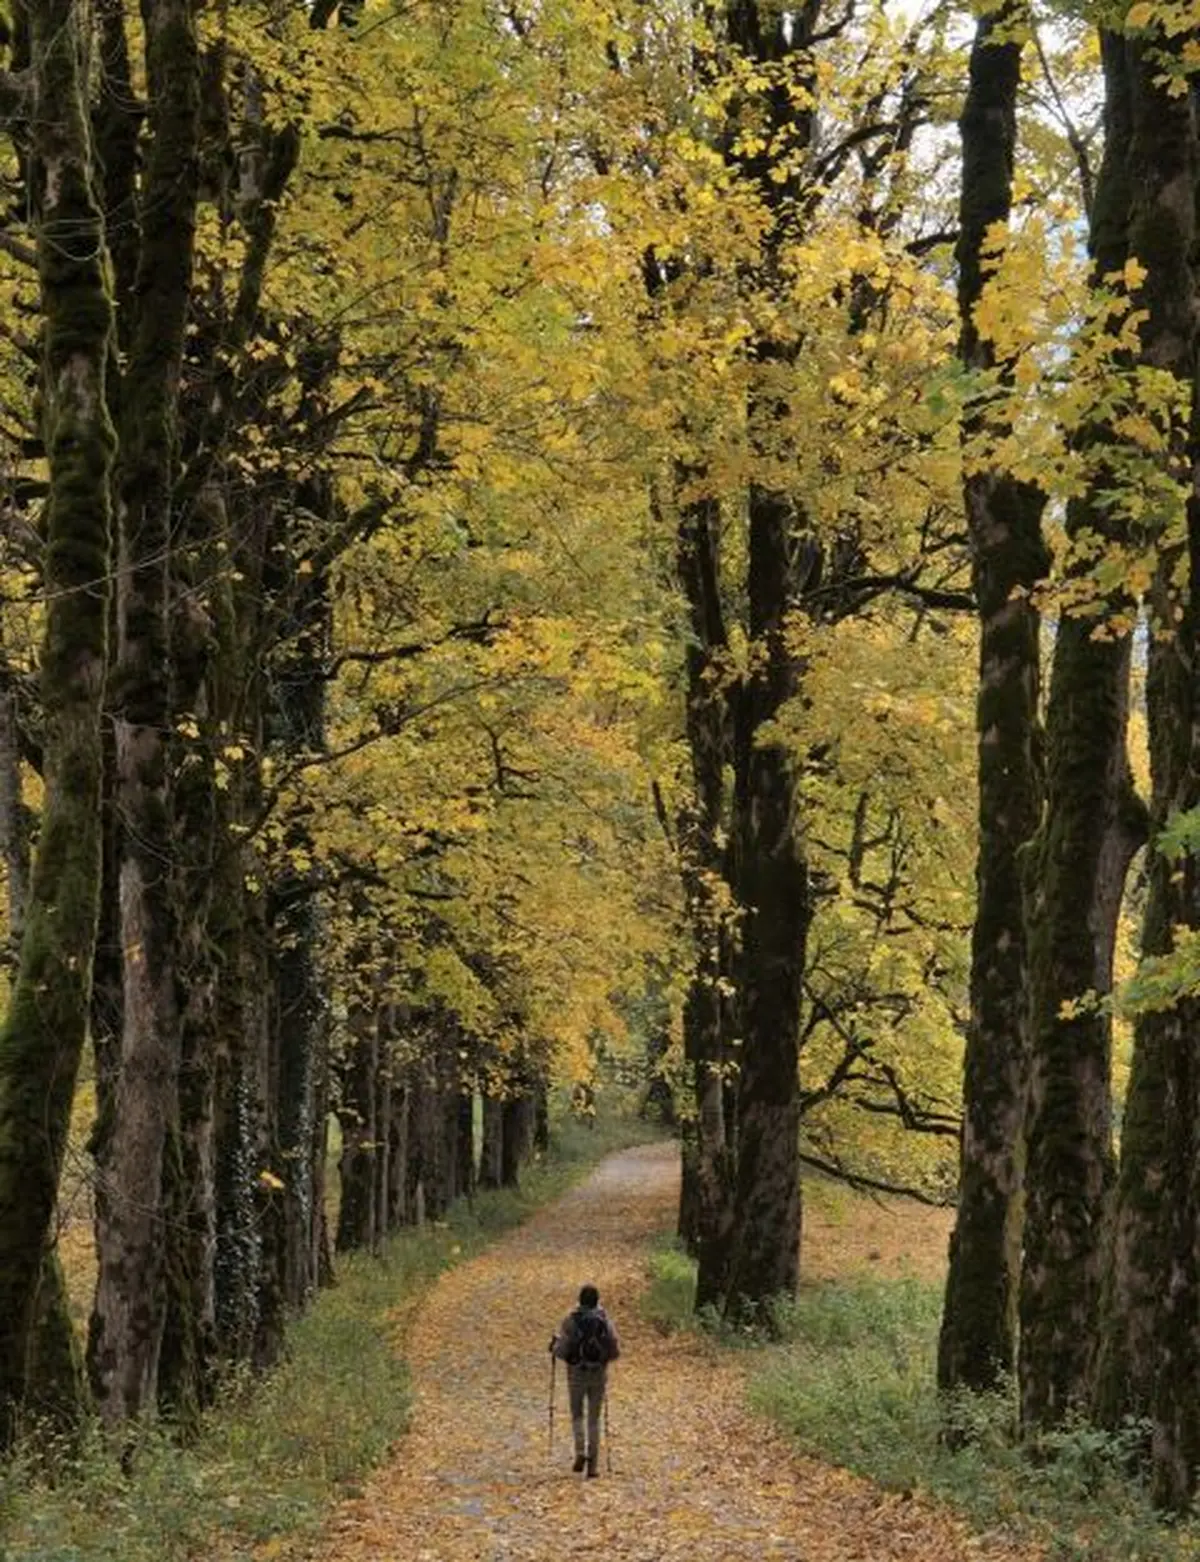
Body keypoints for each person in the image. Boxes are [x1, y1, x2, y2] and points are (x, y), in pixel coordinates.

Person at [550, 1283, 620, 1476]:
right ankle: (593, 1466)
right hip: (598, 1374)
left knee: (577, 1414)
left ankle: (580, 1451)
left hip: (576, 1373)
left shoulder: (571, 1320)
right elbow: (615, 1350)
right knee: (594, 1419)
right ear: (597, 1300)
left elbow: (562, 1351)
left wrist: (553, 1347)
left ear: (579, 1300)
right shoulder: (605, 1320)